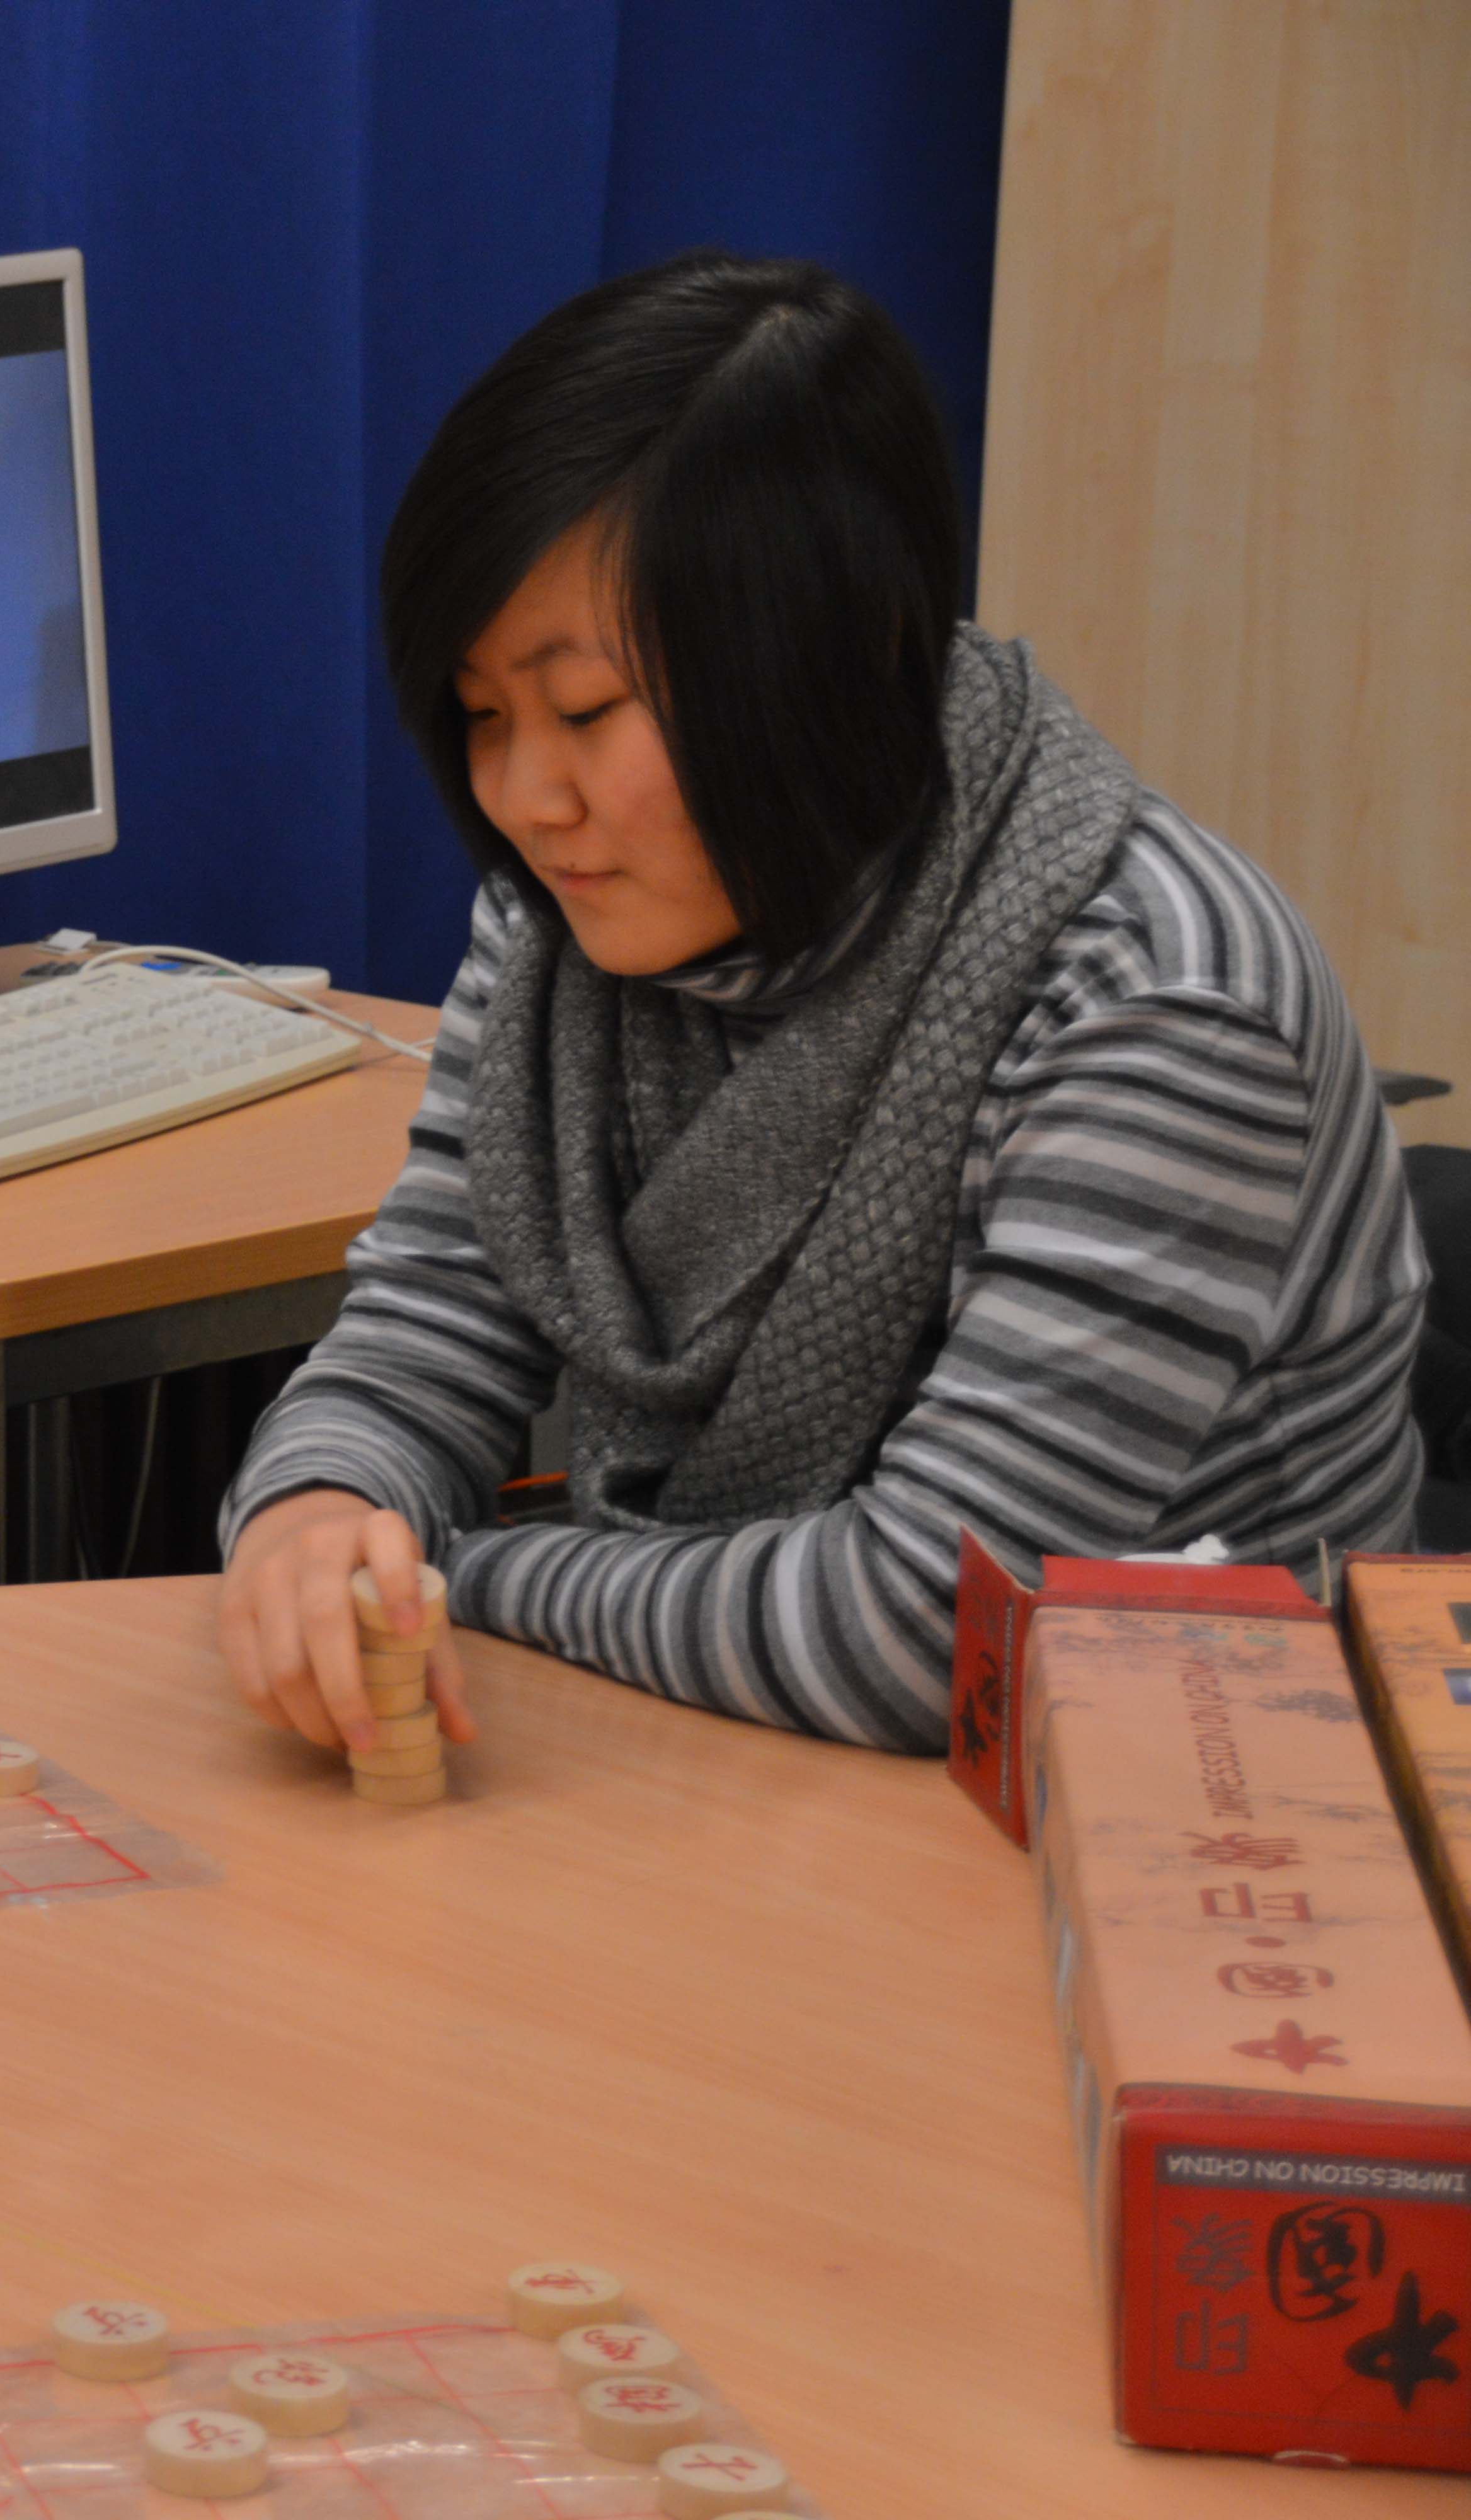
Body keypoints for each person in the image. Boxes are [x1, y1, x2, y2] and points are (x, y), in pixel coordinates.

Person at [215, 252, 1424, 1760]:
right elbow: (428, 1329)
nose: (525, 797)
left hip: (1190, 1793)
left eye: (583, 710)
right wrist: (314, 1512)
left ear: (823, 663)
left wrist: (457, 1573)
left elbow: (930, 1630)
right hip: (744, 1747)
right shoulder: (558, 917)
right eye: (481, 715)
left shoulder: (1157, 997)